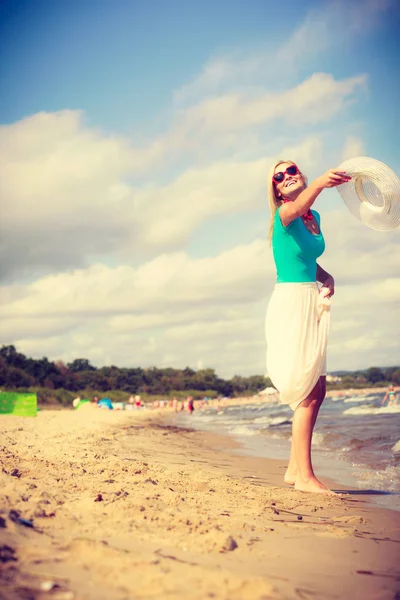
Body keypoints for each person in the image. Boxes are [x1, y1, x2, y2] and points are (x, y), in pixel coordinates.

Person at [265, 160, 350, 494]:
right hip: (290, 303)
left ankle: (292, 468)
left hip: (309, 299)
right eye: (278, 177)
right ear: (274, 189)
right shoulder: (284, 214)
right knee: (307, 393)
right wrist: (319, 184)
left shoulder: (313, 218)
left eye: (291, 171)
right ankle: (305, 478)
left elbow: (304, 259)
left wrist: (325, 275)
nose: (286, 177)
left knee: (319, 388)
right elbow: (301, 203)